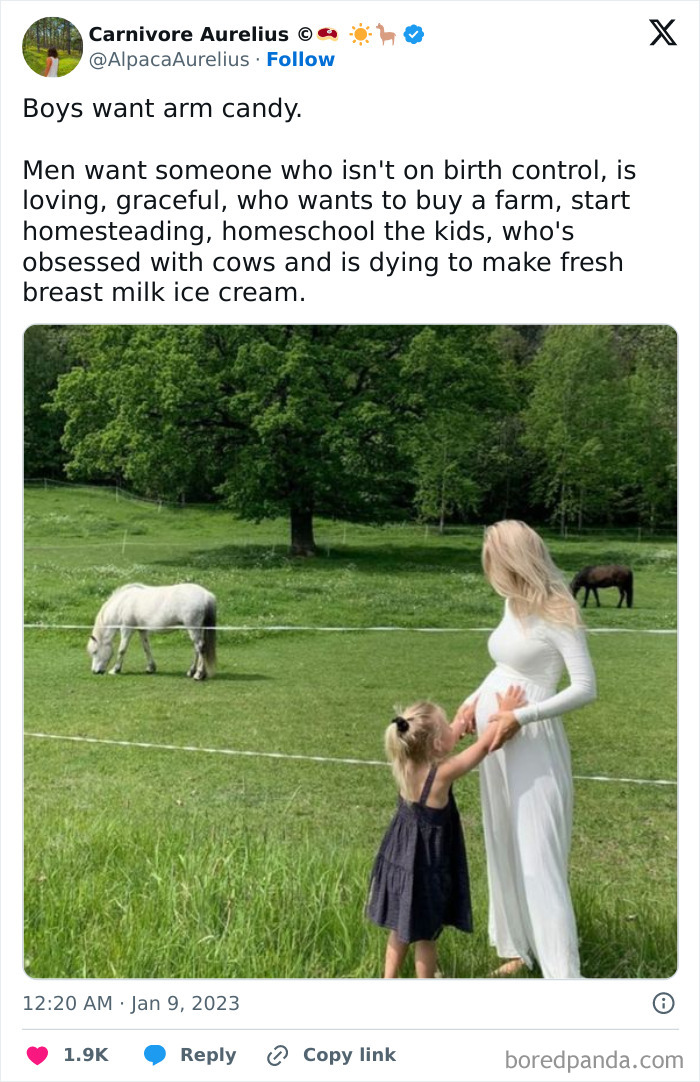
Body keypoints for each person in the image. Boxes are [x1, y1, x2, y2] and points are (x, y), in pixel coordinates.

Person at [454, 520, 597, 979]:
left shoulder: (558, 608)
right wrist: (474, 700)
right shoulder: (510, 603)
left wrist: (521, 716)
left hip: (531, 744)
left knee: (537, 853)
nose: (488, 564)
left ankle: (562, 975)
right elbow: (503, 665)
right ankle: (519, 948)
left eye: (493, 555)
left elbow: (585, 688)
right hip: (494, 743)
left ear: (514, 556)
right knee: (502, 842)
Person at [366, 689, 526, 978]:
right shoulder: (442, 774)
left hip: (401, 858)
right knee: (426, 936)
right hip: (426, 866)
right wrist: (507, 713)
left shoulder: (405, 762)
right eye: (447, 730)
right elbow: (485, 746)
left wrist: (458, 721)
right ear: (438, 745)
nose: (455, 731)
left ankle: (387, 980)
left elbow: (444, 738)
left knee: (400, 927)